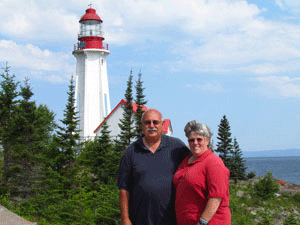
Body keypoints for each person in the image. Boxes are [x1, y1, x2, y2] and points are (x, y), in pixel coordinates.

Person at [117, 109, 191, 225]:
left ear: (162, 125)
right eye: (147, 122)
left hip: (172, 220)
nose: (152, 126)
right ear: (142, 126)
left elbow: (196, 164)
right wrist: (125, 219)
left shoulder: (177, 147)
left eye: (155, 122)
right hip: (139, 220)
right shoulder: (131, 152)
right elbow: (123, 189)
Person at [173, 120, 231, 225]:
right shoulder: (185, 161)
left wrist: (203, 221)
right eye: (191, 140)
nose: (195, 143)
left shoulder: (213, 162)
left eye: (199, 139)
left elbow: (216, 197)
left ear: (207, 140)